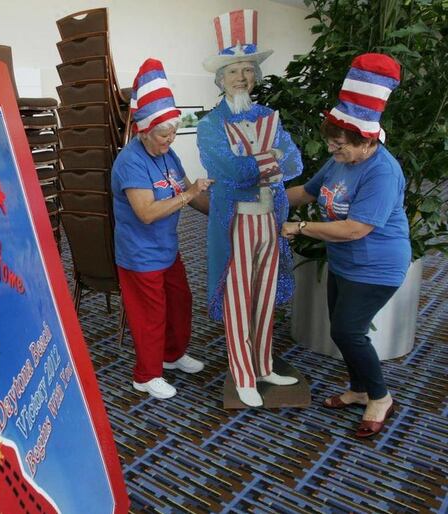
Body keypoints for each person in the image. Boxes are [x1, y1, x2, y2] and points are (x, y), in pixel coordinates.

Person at [282, 53, 408, 438]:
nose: (334, 152)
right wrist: (263, 199)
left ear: (366, 139)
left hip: (378, 266)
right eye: (332, 144)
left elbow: (356, 229)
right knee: (343, 330)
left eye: (341, 146)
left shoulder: (382, 171)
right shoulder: (340, 160)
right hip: (345, 263)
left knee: (349, 332)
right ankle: (357, 389)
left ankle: (380, 397)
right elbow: (306, 190)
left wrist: (300, 227)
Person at [197, 9, 303, 407]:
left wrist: (263, 162)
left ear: (254, 77)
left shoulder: (269, 117)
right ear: (220, 79)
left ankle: (262, 364)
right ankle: (242, 373)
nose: (241, 77)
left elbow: (294, 162)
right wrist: (266, 160)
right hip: (235, 223)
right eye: (233, 71)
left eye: (247, 70)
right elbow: (228, 170)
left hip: (270, 221)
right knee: (238, 297)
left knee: (265, 293)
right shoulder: (210, 125)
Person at [112, 58, 213, 400]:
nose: (170, 139)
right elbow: (146, 212)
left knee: (180, 302)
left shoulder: (169, 156)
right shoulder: (131, 161)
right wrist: (189, 194)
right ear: (144, 130)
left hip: (167, 249)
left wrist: (225, 213)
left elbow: (194, 196)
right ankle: (146, 374)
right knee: (150, 315)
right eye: (163, 134)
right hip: (140, 255)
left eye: (173, 132)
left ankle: (172, 355)